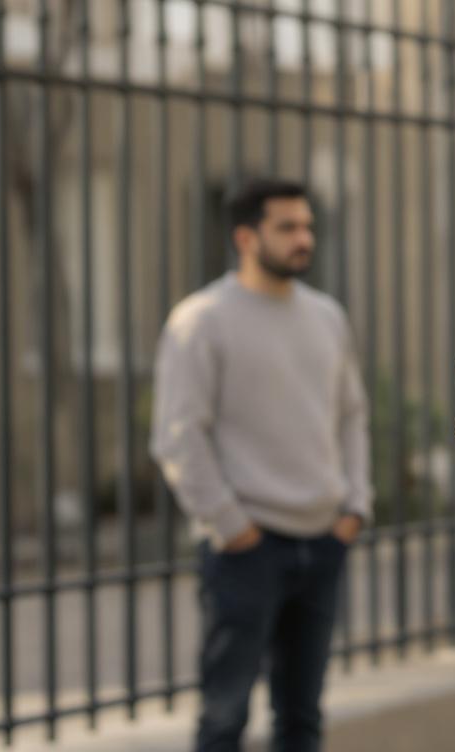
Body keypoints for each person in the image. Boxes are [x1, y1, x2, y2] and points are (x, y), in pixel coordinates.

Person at [150, 178, 373, 751]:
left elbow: (351, 415)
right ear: (245, 237)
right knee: (224, 719)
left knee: (301, 718)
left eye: (308, 225)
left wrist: (355, 507)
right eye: (288, 227)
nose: (305, 238)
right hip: (246, 550)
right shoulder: (201, 320)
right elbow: (178, 438)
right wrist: (232, 527)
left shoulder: (326, 316)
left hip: (323, 540)